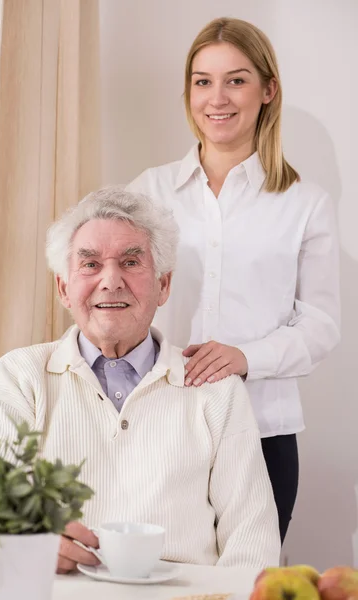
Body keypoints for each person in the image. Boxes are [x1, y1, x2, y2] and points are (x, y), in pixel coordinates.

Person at [0, 188, 281, 574]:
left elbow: (252, 541)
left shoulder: (218, 390)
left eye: (131, 262)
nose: (110, 281)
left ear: (163, 285)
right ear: (64, 288)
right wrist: (26, 546)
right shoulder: (17, 376)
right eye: (90, 264)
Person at [127, 17, 340, 543]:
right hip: (159, 428)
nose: (216, 98)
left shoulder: (305, 204)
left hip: (262, 431)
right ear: (189, 92)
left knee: (251, 584)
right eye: (203, 81)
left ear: (268, 90)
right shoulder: (148, 192)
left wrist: (246, 357)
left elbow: (321, 325)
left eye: (236, 80)